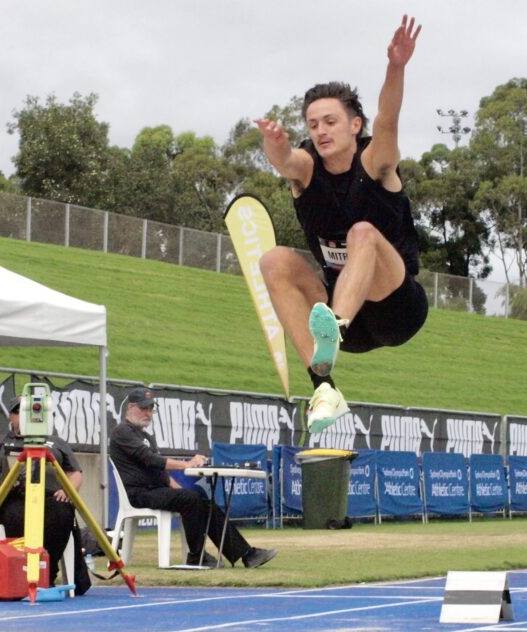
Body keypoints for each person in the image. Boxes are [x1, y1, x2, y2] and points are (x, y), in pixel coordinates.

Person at [254, 15, 427, 433]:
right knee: (274, 260)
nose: (320, 131)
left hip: (395, 308)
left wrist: (396, 67)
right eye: (312, 125)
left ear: (354, 125)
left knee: (362, 232)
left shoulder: (376, 162)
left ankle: (333, 328)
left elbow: (387, 118)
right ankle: (324, 385)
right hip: (345, 312)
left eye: (330, 121)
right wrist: (275, 146)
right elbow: (287, 162)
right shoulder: (306, 170)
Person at [109, 386, 277, 568]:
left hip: (156, 490)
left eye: (151, 409)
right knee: (192, 499)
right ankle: (196, 556)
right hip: (138, 494)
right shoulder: (122, 432)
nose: (148, 413)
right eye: (144, 408)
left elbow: (160, 472)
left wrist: (178, 489)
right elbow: (151, 460)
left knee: (204, 502)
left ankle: (246, 554)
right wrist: (187, 464)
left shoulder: (145, 436)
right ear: (130, 407)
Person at [0, 398, 90, 591]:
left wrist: (68, 489)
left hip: (51, 498)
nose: (26, 416)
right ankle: (21, 573)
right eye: (19, 412)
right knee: (15, 516)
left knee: (62, 513)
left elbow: (75, 473)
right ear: (11, 417)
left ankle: (47, 573)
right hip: (13, 497)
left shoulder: (56, 443)